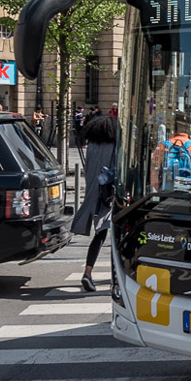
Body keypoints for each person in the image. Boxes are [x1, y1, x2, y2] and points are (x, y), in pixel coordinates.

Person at [74, 113, 120, 293]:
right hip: (110, 195)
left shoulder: (92, 145)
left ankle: (88, 272)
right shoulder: (115, 144)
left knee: (100, 234)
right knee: (116, 237)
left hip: (93, 192)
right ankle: (117, 277)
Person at [153, 119, 191, 191]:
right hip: (187, 188)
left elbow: (155, 166)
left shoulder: (164, 144)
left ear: (174, 131)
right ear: (188, 131)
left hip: (167, 188)